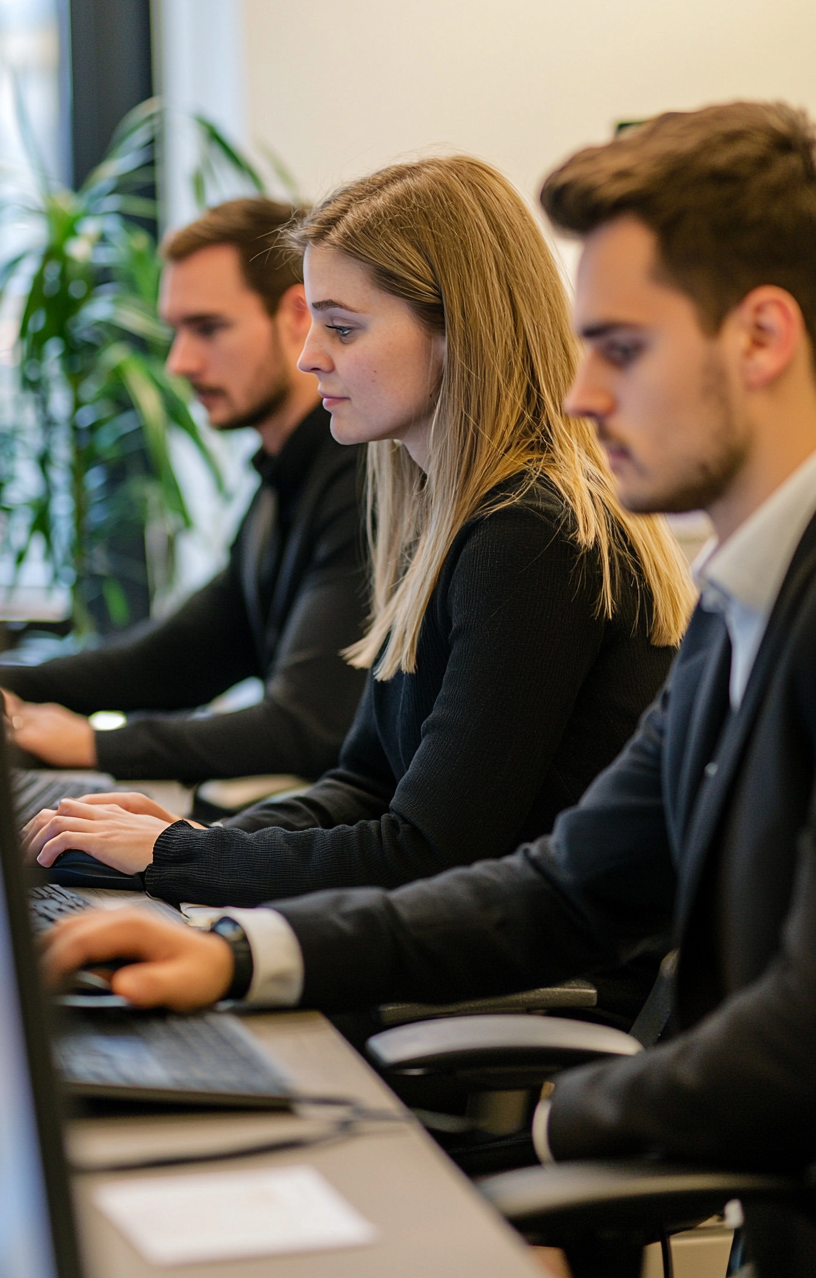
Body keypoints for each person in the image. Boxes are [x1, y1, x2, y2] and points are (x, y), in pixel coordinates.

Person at [42, 105, 816, 1273]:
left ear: (760, 336)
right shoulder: (733, 604)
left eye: (620, 347)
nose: (583, 394)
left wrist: (556, 1143)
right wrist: (236, 936)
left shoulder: (549, 540)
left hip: (643, 1112)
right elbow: (550, 877)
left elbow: (788, 1028)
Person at [24, 157, 688, 945]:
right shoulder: (440, 516)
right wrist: (193, 840)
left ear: (458, 332)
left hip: (515, 975)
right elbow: (363, 782)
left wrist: (176, 855)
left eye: (340, 327)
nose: (309, 357)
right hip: (428, 943)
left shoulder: (532, 534)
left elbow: (426, 851)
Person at [1, 198, 367, 784]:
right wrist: (13, 683)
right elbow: (174, 660)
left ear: (298, 315)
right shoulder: (283, 480)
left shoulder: (362, 479)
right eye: (176, 331)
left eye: (208, 328)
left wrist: (96, 745)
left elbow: (307, 727)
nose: (180, 362)